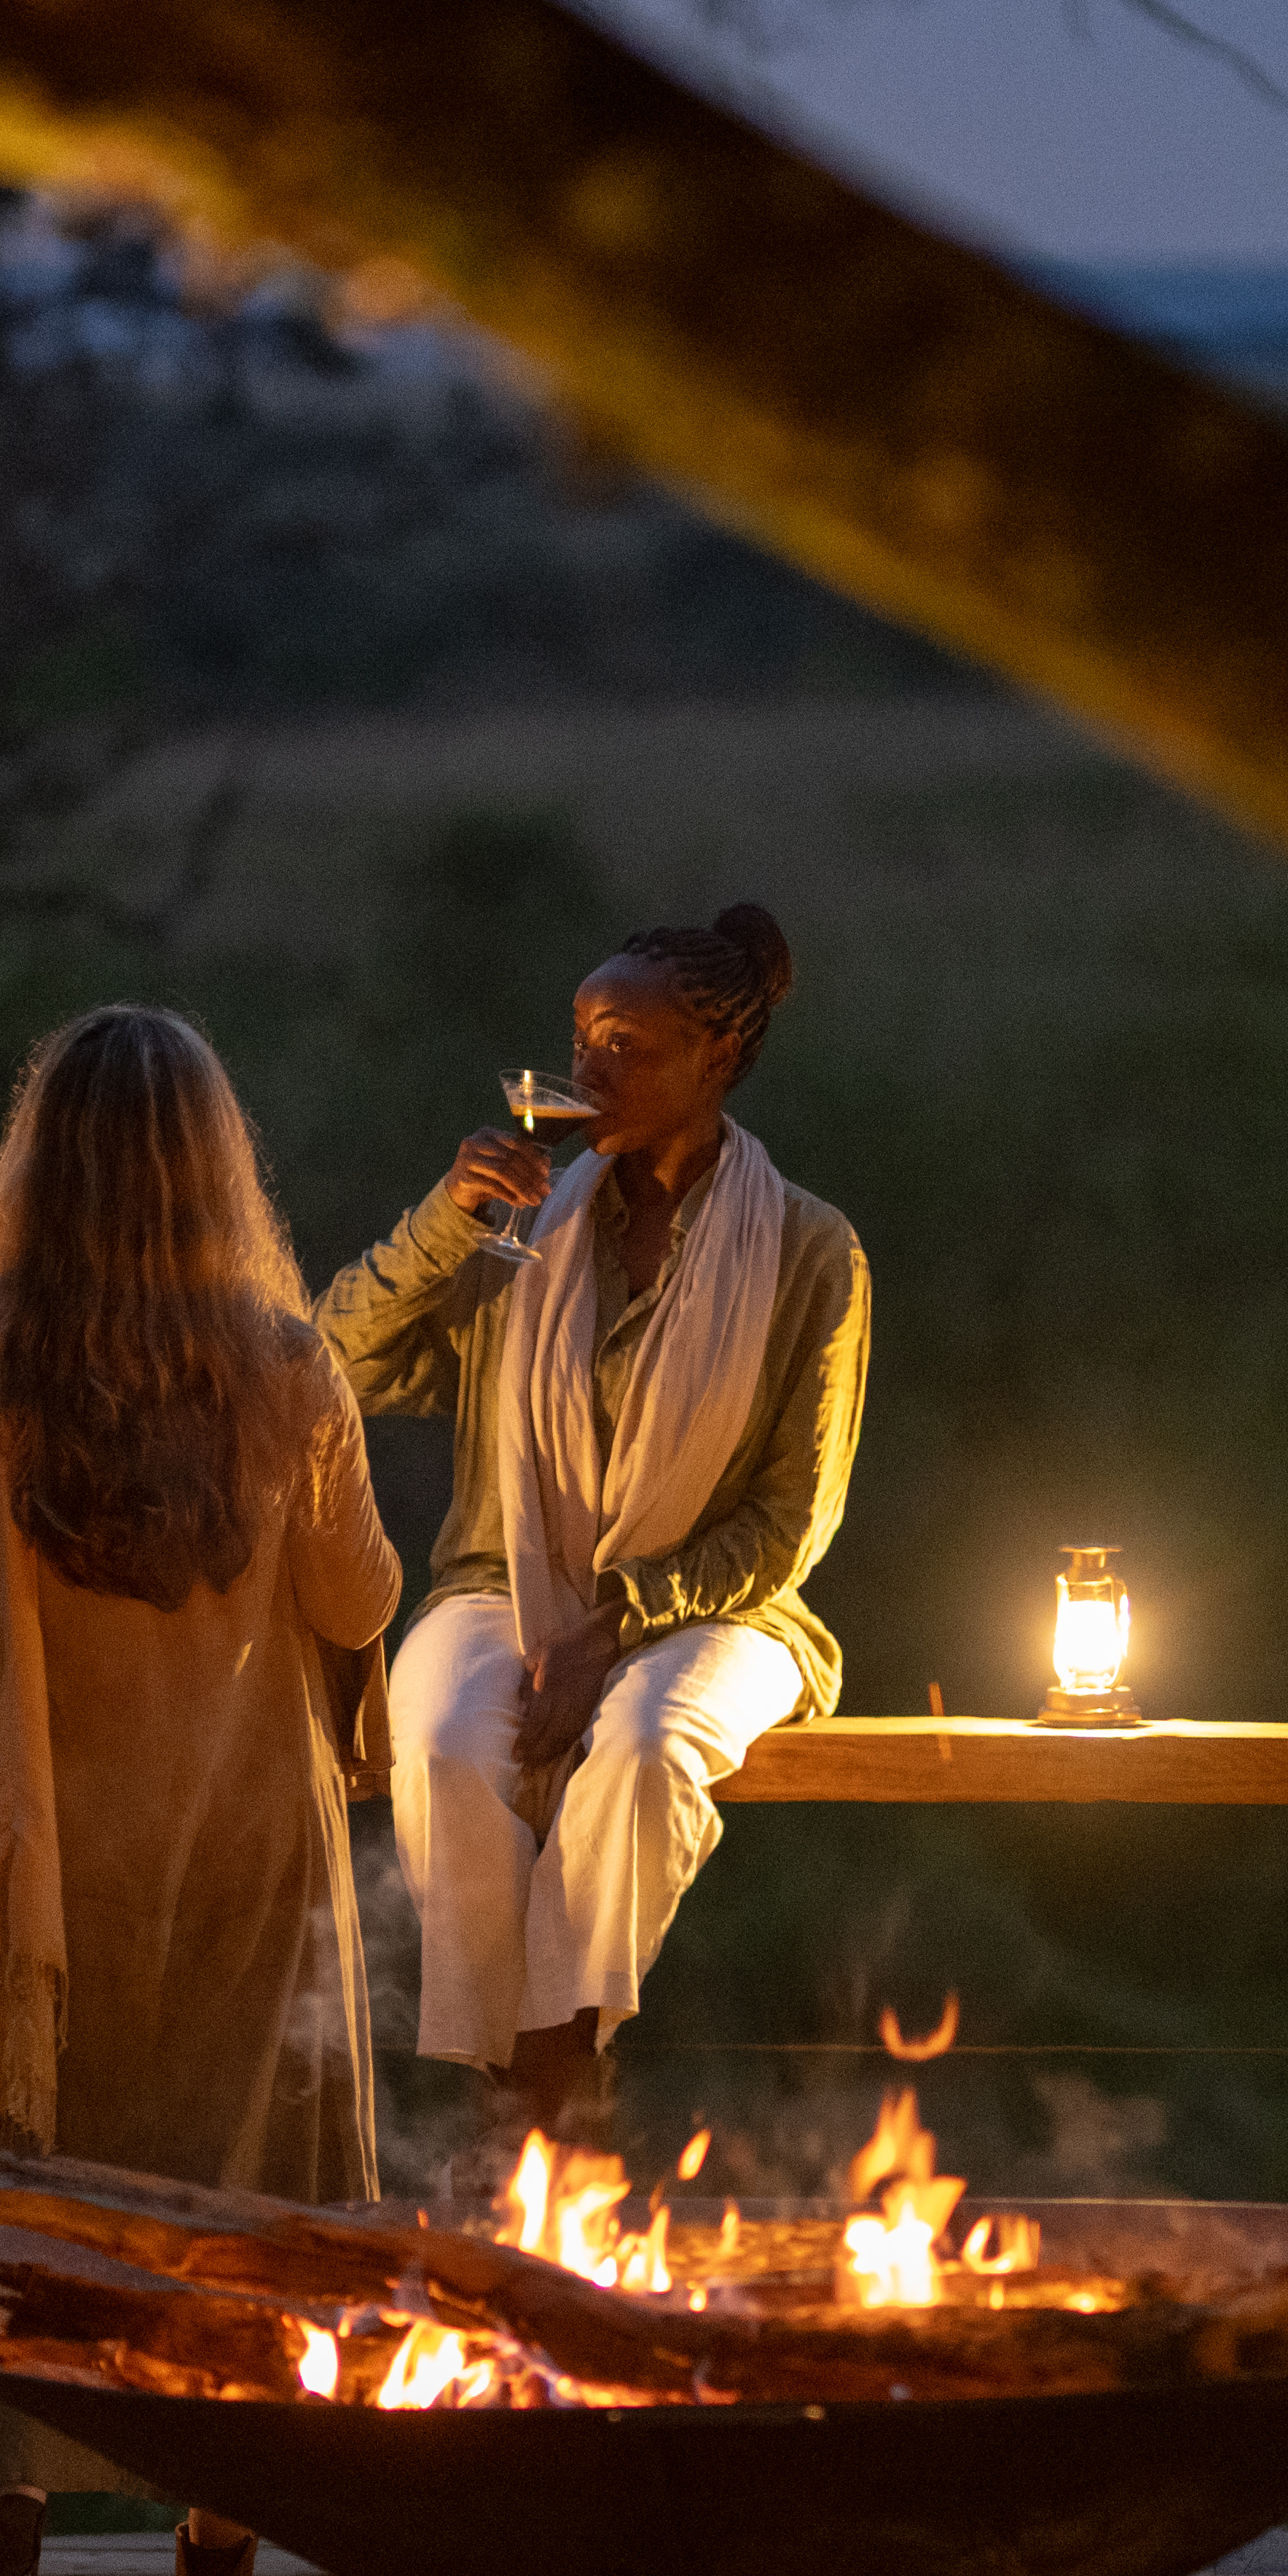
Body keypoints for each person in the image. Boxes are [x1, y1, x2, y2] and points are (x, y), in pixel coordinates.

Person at [0, 1006, 402, 2576]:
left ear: (34, 1178)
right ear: (218, 1178)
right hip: (248, 1862)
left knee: (17, 2207)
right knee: (237, 2221)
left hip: (35, 1884)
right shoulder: (287, 1370)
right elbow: (355, 1599)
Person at [321, 902, 866, 2139]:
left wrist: (616, 1627)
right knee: (444, 1741)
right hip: (502, 1580)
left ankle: (549, 2075)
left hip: (724, 1610)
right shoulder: (519, 1234)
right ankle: (528, 2090)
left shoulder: (809, 1250)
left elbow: (789, 1524)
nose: (586, 1070)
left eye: (625, 1045)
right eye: (580, 1039)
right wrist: (444, 1219)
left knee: (643, 1746)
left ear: (719, 1056)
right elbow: (329, 1364)